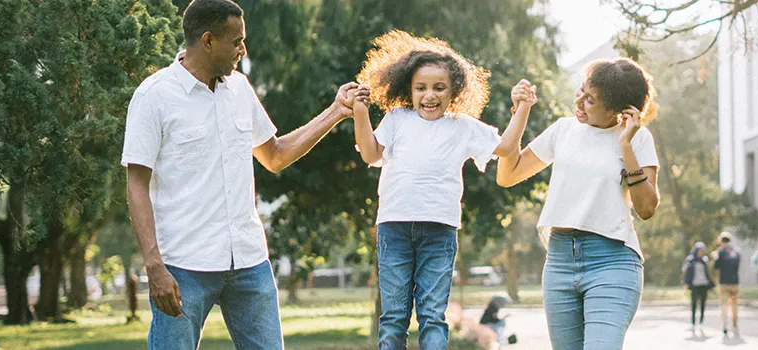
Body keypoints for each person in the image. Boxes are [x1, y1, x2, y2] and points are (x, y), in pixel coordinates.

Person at [121, 0, 369, 348]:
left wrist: (336, 111)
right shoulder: (153, 96)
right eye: (236, 41)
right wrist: (153, 265)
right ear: (207, 41)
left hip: (249, 261)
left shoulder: (239, 88)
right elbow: (136, 183)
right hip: (183, 266)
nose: (243, 49)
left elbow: (275, 156)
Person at [350, 30, 519, 350]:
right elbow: (371, 153)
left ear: (454, 90)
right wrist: (360, 111)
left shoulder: (463, 125)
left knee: (432, 314)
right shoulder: (398, 118)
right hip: (394, 228)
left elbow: (508, 148)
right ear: (408, 90)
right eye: (421, 88)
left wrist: (521, 109)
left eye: (439, 88)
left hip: (440, 230)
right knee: (394, 315)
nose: (430, 95)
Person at [496, 57, 661, 350]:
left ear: (618, 110)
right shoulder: (563, 130)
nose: (580, 102)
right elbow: (508, 175)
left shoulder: (638, 139)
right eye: (581, 91)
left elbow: (647, 208)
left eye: (591, 100)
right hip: (560, 261)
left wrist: (625, 146)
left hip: (612, 261)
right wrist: (520, 112)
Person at [712, 231, 742, 337]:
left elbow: (716, 266)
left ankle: (725, 324)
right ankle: (735, 324)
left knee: (724, 304)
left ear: (721, 241)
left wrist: (715, 256)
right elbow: (738, 265)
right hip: (735, 282)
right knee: (734, 305)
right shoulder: (736, 252)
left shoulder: (720, 252)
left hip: (724, 282)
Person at [682, 241, 714, 332]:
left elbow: (707, 273)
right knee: (694, 304)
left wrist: (711, 283)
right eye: (699, 251)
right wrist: (687, 283)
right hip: (694, 285)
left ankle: (701, 322)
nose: (700, 253)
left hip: (703, 285)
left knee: (703, 304)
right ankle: (693, 323)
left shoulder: (704, 260)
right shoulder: (690, 260)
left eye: (702, 251)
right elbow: (686, 272)